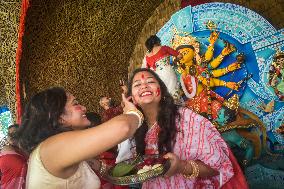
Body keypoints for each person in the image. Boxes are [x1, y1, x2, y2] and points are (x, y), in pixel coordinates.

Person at [125, 68, 248, 189]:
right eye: (137, 85)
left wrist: (181, 167)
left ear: (162, 90)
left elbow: (218, 167)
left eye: (150, 81)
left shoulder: (186, 118)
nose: (144, 86)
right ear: (132, 99)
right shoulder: (134, 129)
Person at [13, 87, 143, 189]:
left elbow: (102, 168)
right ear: (59, 117)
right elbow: (124, 127)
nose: (84, 108)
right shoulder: (53, 147)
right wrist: (134, 113)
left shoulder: (64, 149)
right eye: (76, 104)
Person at [142, 35, 182, 100]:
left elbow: (147, 70)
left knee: (164, 94)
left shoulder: (147, 56)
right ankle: (177, 106)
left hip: (157, 77)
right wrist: (175, 61)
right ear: (157, 41)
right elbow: (179, 56)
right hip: (168, 72)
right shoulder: (164, 48)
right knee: (173, 91)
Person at [0, 124, 27, 189]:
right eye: (9, 134)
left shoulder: (25, 151)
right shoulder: (5, 152)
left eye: (15, 133)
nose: (11, 136)